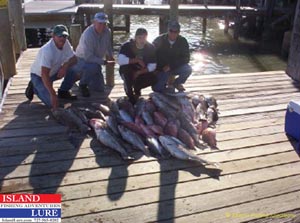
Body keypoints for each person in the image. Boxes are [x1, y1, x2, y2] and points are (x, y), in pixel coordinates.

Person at [25, 24, 78, 110]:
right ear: (53, 36)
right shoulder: (47, 50)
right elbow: (44, 74)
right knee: (52, 103)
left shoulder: (66, 43)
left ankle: (63, 91)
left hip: (53, 72)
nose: (62, 38)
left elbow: (75, 59)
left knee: (76, 69)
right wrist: (53, 94)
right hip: (40, 76)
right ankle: (34, 87)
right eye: (59, 36)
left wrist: (65, 66)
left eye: (65, 36)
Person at [75, 12, 115, 97]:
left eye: (104, 24)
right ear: (94, 22)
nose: (102, 26)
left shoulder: (107, 31)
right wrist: (105, 62)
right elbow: (88, 57)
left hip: (95, 60)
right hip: (82, 59)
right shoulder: (88, 35)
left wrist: (111, 56)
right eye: (100, 23)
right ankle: (82, 84)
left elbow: (108, 45)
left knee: (99, 88)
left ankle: (84, 76)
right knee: (94, 67)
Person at [118, 28, 157, 104]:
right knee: (125, 70)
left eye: (144, 38)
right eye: (140, 37)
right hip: (129, 71)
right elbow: (120, 60)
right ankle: (130, 93)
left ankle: (137, 88)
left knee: (154, 78)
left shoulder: (150, 47)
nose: (142, 40)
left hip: (141, 71)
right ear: (135, 37)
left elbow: (153, 66)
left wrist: (139, 72)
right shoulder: (127, 46)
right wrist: (137, 60)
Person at [152, 20, 192, 93]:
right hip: (162, 69)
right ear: (167, 30)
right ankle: (167, 84)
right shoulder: (159, 40)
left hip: (175, 67)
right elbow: (151, 56)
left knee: (187, 69)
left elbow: (186, 58)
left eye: (176, 31)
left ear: (179, 32)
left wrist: (171, 66)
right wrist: (157, 69)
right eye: (171, 31)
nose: (173, 33)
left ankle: (176, 83)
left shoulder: (183, 41)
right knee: (156, 88)